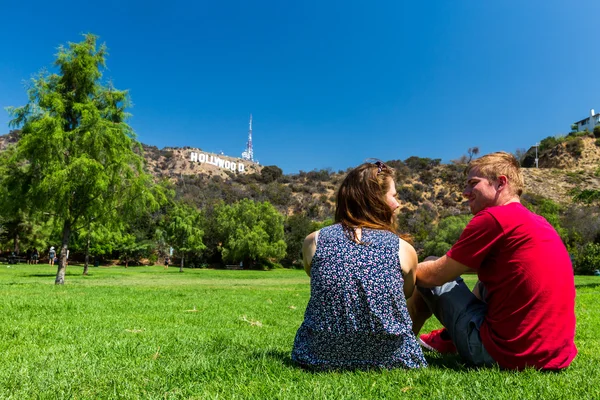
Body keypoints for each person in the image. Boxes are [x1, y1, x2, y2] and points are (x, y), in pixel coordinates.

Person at [409, 152, 577, 370]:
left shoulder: (494, 218)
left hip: (504, 354)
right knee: (486, 276)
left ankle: (394, 346)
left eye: (473, 184)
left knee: (429, 265)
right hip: (554, 355)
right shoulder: (538, 223)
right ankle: (447, 338)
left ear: (501, 182)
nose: (465, 192)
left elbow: (436, 275)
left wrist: (399, 267)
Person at [291, 161, 427, 370]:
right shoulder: (403, 249)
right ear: (377, 200)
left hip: (318, 355)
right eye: (394, 196)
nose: (398, 204)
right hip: (392, 358)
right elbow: (407, 292)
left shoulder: (314, 241)